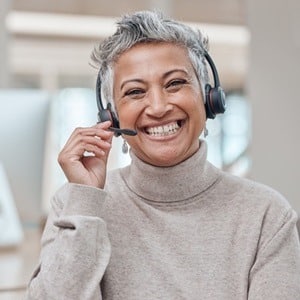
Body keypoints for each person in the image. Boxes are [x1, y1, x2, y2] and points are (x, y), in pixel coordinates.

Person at [26, 10, 300, 300]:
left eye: (174, 84)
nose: (157, 107)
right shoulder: (77, 205)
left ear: (208, 99)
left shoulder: (266, 215)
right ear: (112, 116)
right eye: (135, 92)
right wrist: (84, 202)